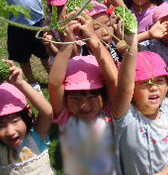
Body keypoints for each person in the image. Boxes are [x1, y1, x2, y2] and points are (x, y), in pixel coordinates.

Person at [48, 12, 120, 175]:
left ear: (103, 94)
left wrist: (93, 40)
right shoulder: (67, 117)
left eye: (92, 96)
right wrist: (67, 43)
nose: (84, 105)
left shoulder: (108, 109)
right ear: (65, 97)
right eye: (75, 97)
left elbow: (113, 79)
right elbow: (54, 83)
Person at [0, 61, 54, 174]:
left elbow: (47, 112)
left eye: (15, 121)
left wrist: (21, 84)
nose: (10, 131)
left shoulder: (36, 135)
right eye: (0, 126)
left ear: (28, 112)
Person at [112, 49, 168, 175]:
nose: (153, 87)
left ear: (167, 84)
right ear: (132, 88)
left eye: (159, 81)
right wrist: (131, 43)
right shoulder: (126, 116)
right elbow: (123, 88)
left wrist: (166, 173)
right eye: (144, 82)